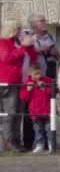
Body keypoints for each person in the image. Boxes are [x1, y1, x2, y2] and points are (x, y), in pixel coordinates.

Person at [0, 20, 38, 151]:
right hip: (8, 82)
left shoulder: (18, 43)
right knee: (10, 112)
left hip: (21, 82)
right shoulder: (3, 42)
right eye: (18, 29)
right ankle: (9, 141)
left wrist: (30, 45)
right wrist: (23, 47)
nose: (20, 32)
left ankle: (16, 141)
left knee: (18, 113)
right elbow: (7, 58)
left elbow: (33, 58)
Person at [20, 65, 54, 153]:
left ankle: (51, 144)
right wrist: (28, 90)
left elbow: (53, 92)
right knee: (38, 129)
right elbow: (24, 98)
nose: (38, 76)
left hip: (47, 110)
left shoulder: (47, 81)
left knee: (48, 128)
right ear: (30, 74)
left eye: (39, 73)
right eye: (35, 74)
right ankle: (39, 144)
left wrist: (44, 88)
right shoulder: (27, 83)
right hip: (35, 112)